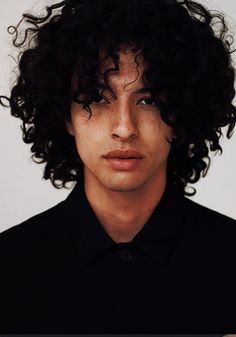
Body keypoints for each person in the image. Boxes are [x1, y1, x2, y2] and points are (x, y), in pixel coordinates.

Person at [0, 0, 236, 333]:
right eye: (97, 97)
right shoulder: (8, 268)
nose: (124, 128)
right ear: (65, 116)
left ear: (181, 112)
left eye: (149, 100)